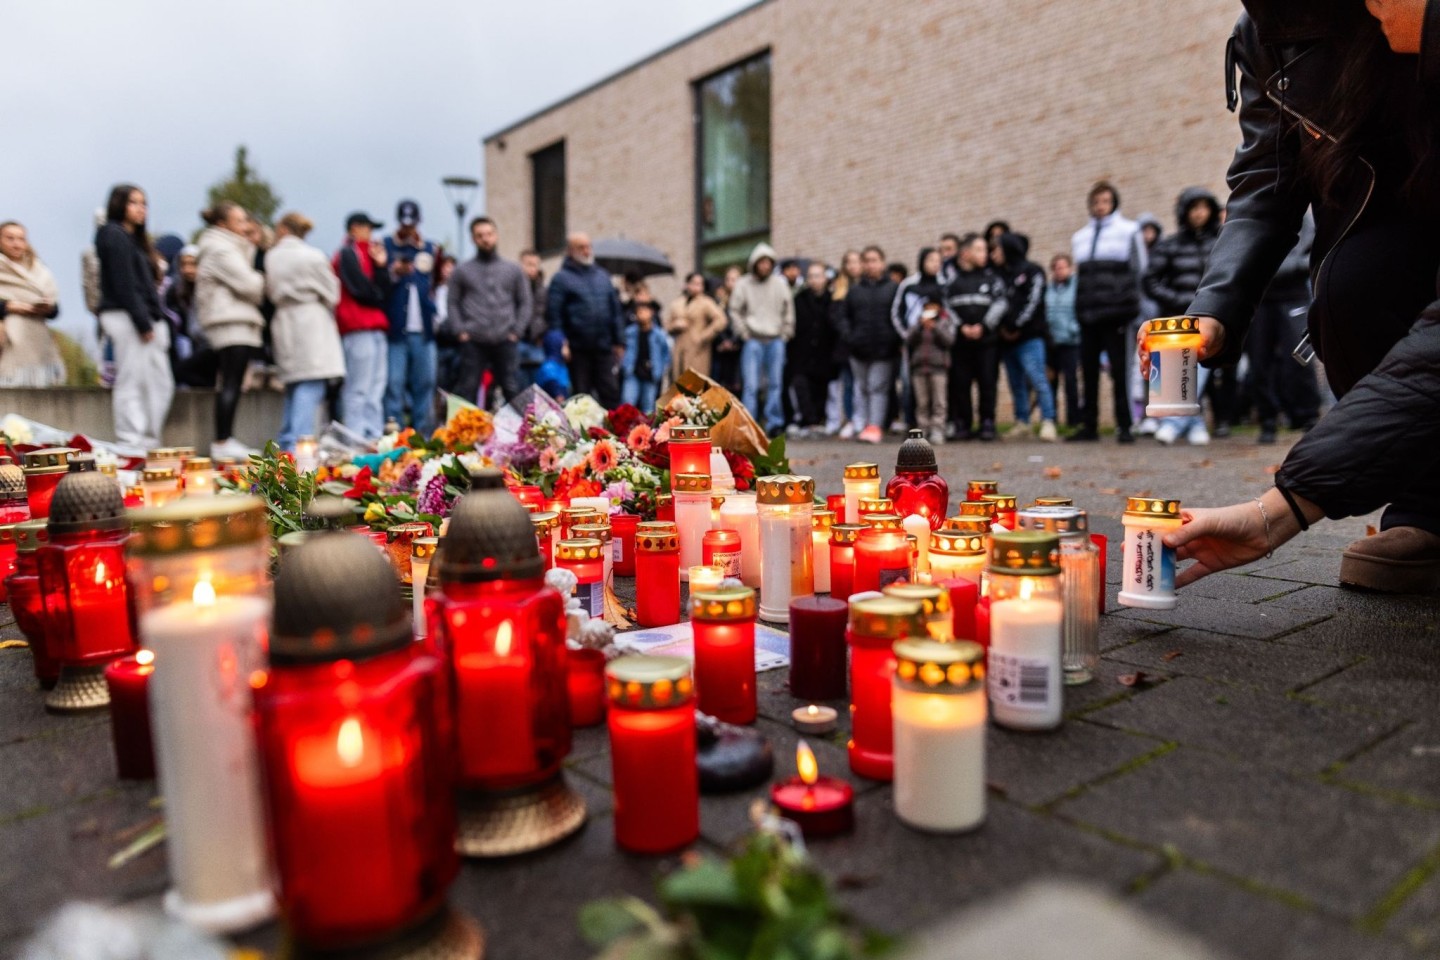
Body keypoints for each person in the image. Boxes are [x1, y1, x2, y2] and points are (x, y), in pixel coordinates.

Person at [1147, 0, 1440, 594]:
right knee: (1352, 285)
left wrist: (1277, 513)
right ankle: (1430, 505)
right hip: (1387, 229)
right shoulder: (1269, 35)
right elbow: (1265, 182)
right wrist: (1215, 308)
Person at [1142, 187, 1223, 445]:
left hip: (1207, 318)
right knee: (1175, 374)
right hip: (1175, 320)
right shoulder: (1170, 245)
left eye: (1204, 207)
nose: (1199, 213)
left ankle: (1173, 423)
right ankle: (1193, 424)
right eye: (1193, 208)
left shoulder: (1220, 243)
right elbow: (1150, 280)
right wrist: (1178, 301)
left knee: (1198, 371)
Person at [96, 184, 173, 449]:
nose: (141, 209)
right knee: (131, 381)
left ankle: (147, 441)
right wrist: (142, 320)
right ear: (119, 205)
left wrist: (156, 317)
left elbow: (146, 286)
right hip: (126, 316)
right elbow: (123, 283)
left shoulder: (135, 240)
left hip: (144, 317)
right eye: (134, 203)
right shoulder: (112, 234)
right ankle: (131, 442)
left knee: (159, 383)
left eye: (144, 203)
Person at [1070, 180, 1142, 443]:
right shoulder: (1080, 237)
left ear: (1113, 203)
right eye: (1096, 202)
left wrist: (1133, 308)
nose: (1100, 206)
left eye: (1105, 201)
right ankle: (1089, 424)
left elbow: (1139, 271)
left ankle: (1124, 425)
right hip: (1088, 315)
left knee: (1120, 371)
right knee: (1087, 372)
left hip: (1116, 314)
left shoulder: (1128, 231)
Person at [266, 212, 342, 452]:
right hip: (311, 320)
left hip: (284, 319)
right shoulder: (313, 256)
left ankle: (288, 440)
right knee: (311, 382)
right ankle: (299, 444)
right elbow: (333, 293)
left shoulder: (271, 256)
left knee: (294, 383)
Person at [195, 201, 265, 458]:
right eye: (239, 221)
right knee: (231, 381)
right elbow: (251, 285)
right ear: (223, 224)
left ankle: (225, 440)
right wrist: (259, 278)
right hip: (230, 322)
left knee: (234, 382)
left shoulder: (228, 247)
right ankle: (222, 441)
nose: (245, 226)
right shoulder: (220, 249)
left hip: (235, 321)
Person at [1247, 213, 1321, 443]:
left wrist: (1282, 268)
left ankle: (1308, 417)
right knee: (1259, 362)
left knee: (1299, 358)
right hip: (1260, 300)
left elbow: (1313, 253)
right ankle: (1268, 420)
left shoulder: (1305, 218)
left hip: (1294, 297)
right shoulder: (1255, 212)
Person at [443, 217, 530, 410]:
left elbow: (524, 302)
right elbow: (452, 303)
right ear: (473, 239)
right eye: (480, 235)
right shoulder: (462, 271)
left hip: (506, 339)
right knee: (467, 389)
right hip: (473, 340)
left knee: (512, 388)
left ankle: (526, 436)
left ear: (496, 236)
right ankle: (463, 437)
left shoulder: (513, 270)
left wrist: (517, 330)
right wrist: (460, 331)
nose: (485, 239)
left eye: (489, 234)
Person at [332, 212, 392, 441]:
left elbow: (383, 292)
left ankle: (373, 434)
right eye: (367, 228)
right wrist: (377, 293)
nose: (370, 233)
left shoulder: (371, 254)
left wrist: (381, 267)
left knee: (376, 386)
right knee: (358, 386)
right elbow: (361, 290)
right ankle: (355, 436)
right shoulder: (347, 252)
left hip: (375, 326)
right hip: (357, 326)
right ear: (355, 228)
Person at [993, 232, 1058, 441]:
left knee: (1038, 378)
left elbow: (1034, 302)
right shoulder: (1000, 276)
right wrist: (1003, 328)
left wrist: (1017, 325)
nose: (995, 253)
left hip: (1030, 337)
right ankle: (1023, 422)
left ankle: (1048, 421)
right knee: (1016, 383)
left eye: (998, 249)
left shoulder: (1033, 271)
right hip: (1007, 340)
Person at [546, 232, 624, 406]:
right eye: (581, 247)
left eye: (588, 246)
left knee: (611, 392)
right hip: (577, 350)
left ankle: (614, 431)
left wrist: (619, 341)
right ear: (570, 251)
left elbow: (615, 310)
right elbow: (554, 315)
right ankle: (584, 432)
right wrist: (561, 342)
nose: (586, 251)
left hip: (604, 348)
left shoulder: (603, 276)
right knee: (581, 397)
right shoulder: (561, 279)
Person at [383, 199, 439, 435]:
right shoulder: (386, 245)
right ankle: (395, 436)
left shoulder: (430, 248)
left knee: (425, 383)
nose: (408, 230)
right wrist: (394, 270)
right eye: (404, 225)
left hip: (424, 330)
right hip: (396, 329)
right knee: (394, 384)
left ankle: (423, 436)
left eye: (412, 224)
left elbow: (438, 282)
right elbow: (379, 284)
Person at [945, 233, 1008, 441]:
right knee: (961, 383)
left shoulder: (992, 280)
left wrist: (984, 325)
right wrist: (961, 326)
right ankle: (963, 423)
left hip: (987, 342)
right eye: (980, 250)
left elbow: (1001, 303)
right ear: (965, 253)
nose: (985, 254)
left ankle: (987, 422)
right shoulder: (952, 283)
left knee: (987, 381)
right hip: (961, 344)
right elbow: (946, 308)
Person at [729, 242, 794, 436]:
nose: (765, 266)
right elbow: (734, 310)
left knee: (775, 384)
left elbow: (788, 310)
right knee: (751, 385)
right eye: (761, 262)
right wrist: (743, 332)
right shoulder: (743, 284)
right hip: (753, 340)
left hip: (775, 340)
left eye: (768, 262)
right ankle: (749, 424)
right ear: (755, 263)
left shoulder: (780, 284)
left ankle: (774, 423)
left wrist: (786, 333)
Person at [837, 245, 899, 444]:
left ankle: (875, 425)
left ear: (882, 263)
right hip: (858, 348)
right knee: (861, 388)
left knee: (877, 387)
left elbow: (898, 316)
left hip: (884, 349)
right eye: (867, 261)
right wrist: (850, 336)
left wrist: (892, 339)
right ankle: (861, 424)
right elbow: (843, 317)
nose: (870, 265)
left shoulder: (893, 289)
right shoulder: (854, 291)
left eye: (874, 260)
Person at [0, 221, 63, 387]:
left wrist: (45, 307)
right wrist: (8, 307)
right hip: (7, 333)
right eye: (10, 238)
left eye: (21, 238)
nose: (16, 243)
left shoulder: (39, 270)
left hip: (37, 332)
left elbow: (55, 309)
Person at [899, 294, 956, 446]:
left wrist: (935, 328)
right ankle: (922, 430)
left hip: (938, 368)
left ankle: (938, 430)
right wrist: (919, 327)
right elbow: (908, 340)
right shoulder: (918, 323)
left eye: (933, 306)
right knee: (922, 403)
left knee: (939, 402)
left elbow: (949, 340)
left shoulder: (944, 322)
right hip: (919, 368)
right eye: (927, 307)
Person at [788, 262, 836, 436]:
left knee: (820, 388)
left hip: (824, 353)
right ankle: (807, 421)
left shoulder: (832, 300)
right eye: (811, 276)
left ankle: (817, 421)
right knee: (801, 386)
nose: (814, 280)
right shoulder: (799, 299)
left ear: (825, 278)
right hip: (801, 352)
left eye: (818, 276)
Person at [666, 271, 727, 382]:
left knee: (695, 386)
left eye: (699, 284)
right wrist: (675, 325)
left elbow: (721, 320)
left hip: (697, 351)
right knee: (678, 387)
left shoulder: (706, 302)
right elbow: (667, 325)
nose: (696, 287)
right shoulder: (677, 303)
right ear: (687, 284)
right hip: (679, 349)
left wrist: (703, 336)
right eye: (693, 283)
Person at [828, 250, 863, 437]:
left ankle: (865, 418)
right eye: (849, 262)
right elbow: (836, 317)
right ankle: (850, 419)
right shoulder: (839, 290)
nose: (853, 266)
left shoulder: (867, 286)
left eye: (856, 262)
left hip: (865, 343)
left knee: (865, 384)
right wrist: (849, 334)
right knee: (848, 383)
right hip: (846, 345)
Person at [1046, 254, 1082, 429]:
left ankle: (1073, 420)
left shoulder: (1077, 287)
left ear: (1070, 268)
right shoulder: (1049, 289)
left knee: (1071, 381)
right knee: (1051, 381)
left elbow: (1079, 309)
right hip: (1052, 343)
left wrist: (1073, 329)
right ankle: (1051, 419)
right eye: (1056, 268)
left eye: (1062, 267)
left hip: (1070, 341)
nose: (1059, 271)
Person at [621, 300, 671, 412]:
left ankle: (646, 429)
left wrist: (661, 369)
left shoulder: (659, 335)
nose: (642, 314)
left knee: (648, 406)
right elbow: (622, 350)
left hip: (651, 374)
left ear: (651, 313)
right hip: (632, 371)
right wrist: (624, 364)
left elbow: (666, 354)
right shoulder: (630, 332)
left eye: (645, 311)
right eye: (639, 312)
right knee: (627, 402)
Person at [516, 249, 549, 391]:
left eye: (535, 265)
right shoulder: (513, 288)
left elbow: (548, 315)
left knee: (536, 389)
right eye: (528, 264)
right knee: (518, 388)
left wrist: (542, 332)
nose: (532, 268)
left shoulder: (543, 290)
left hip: (536, 342)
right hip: (517, 342)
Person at [710, 265, 744, 393]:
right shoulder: (720, 302)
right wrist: (723, 341)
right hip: (722, 350)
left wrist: (735, 342)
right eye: (728, 279)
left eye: (734, 279)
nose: (730, 283)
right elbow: (718, 323)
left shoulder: (744, 301)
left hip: (739, 349)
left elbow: (743, 324)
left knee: (738, 385)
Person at [535, 329, 572, 401]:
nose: (568, 349)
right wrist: (558, 395)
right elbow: (552, 383)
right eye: (566, 346)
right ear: (557, 346)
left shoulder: (560, 365)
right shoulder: (550, 366)